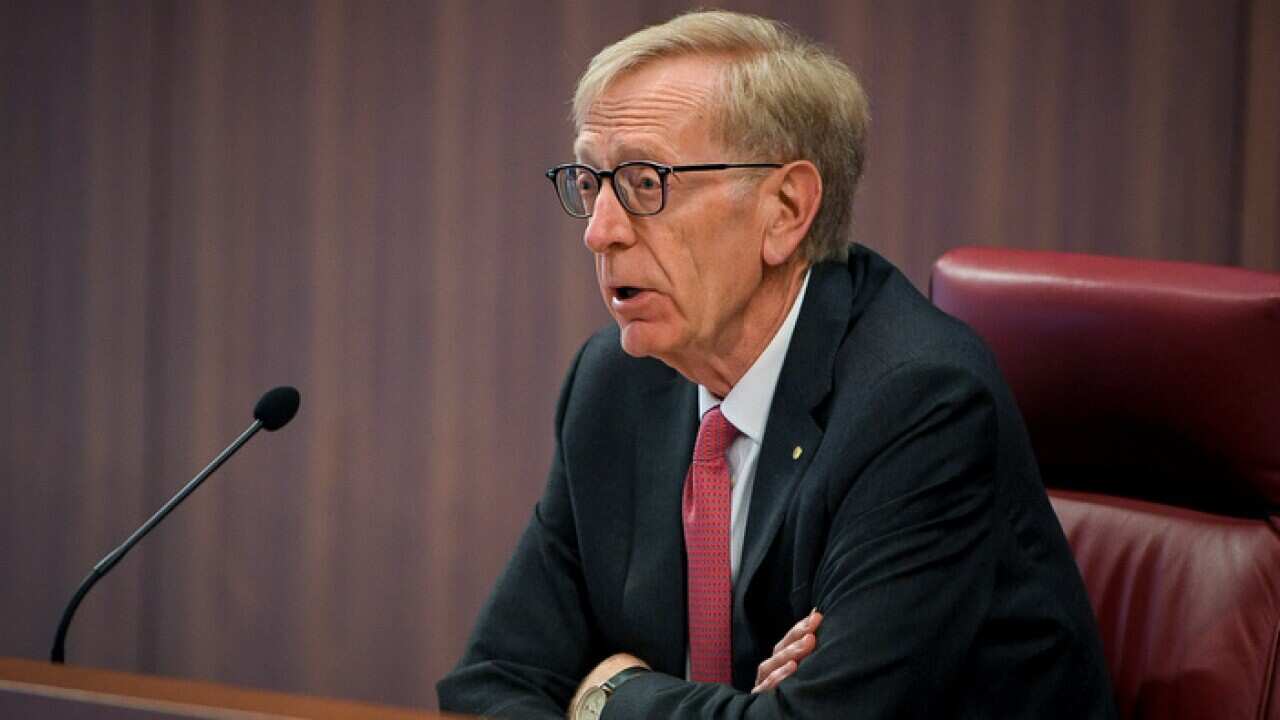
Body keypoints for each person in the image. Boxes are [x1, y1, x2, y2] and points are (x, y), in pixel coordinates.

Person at [437, 10, 1115, 719]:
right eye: (590, 182)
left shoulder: (918, 405)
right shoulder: (617, 384)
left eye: (645, 182)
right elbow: (488, 683)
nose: (601, 231)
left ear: (785, 209)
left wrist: (606, 692)